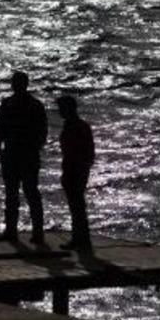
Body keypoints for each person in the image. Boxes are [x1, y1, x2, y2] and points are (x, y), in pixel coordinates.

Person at [0, 71, 47, 244]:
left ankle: (37, 233)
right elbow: (0, 126)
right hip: (12, 153)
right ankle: (11, 231)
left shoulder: (33, 105)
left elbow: (42, 130)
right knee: (12, 193)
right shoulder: (9, 103)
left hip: (26, 153)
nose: (14, 85)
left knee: (30, 192)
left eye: (17, 82)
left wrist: (36, 146)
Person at [57, 95, 94, 251]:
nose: (59, 111)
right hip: (73, 168)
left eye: (61, 108)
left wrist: (79, 169)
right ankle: (80, 238)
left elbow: (86, 152)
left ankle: (80, 239)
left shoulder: (77, 126)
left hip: (76, 169)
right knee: (76, 205)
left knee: (77, 205)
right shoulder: (75, 125)